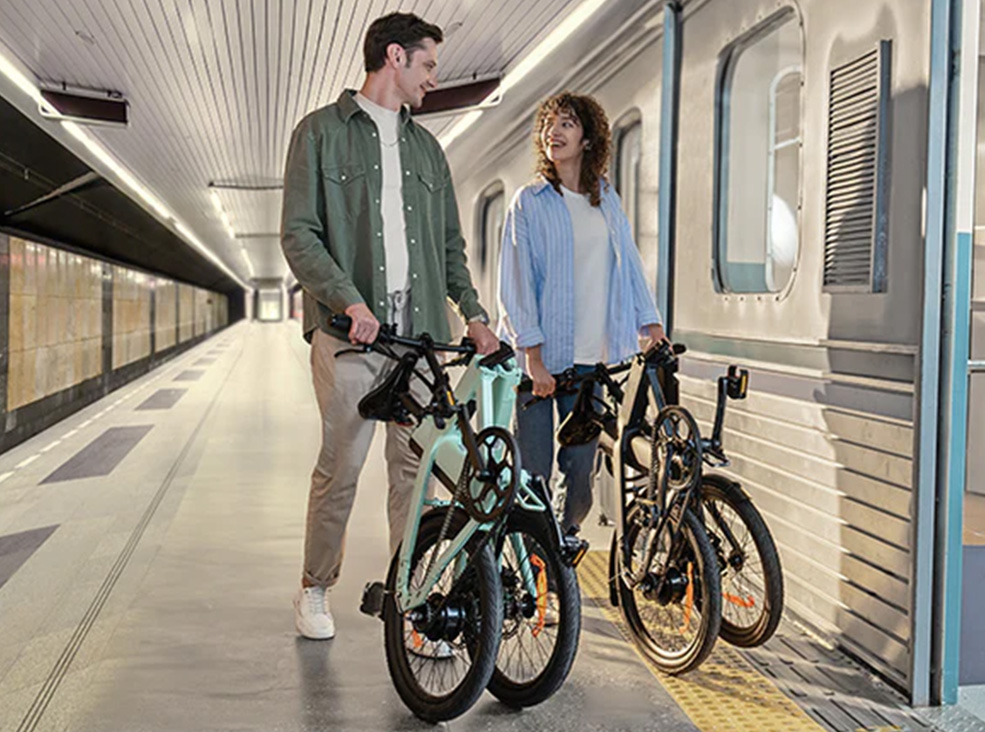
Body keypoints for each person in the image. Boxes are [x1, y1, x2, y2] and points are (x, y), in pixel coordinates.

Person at [281, 12, 499, 641]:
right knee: (341, 465)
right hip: (349, 335)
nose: (435, 78)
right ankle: (315, 588)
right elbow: (299, 233)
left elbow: (452, 247)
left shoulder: (428, 149)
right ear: (395, 57)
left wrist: (474, 315)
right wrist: (348, 299)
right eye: (429, 64)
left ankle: (413, 594)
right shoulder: (320, 133)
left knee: (417, 470)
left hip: (420, 335)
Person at [499, 92, 665, 533]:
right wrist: (533, 360)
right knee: (533, 474)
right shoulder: (529, 202)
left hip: (592, 362)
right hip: (541, 364)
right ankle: (533, 569)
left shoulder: (605, 198)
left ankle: (561, 538)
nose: (554, 131)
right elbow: (516, 286)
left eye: (567, 123)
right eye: (550, 124)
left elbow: (628, 262)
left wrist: (651, 322)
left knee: (580, 481)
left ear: (588, 139)